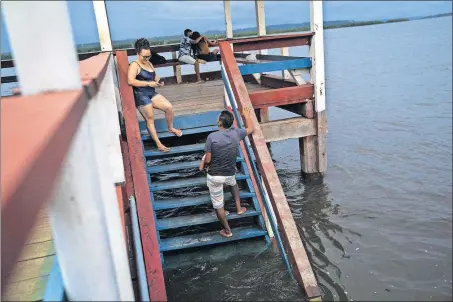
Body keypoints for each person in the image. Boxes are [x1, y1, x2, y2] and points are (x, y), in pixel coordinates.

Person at [199, 107, 255, 238]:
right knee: (233, 184)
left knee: (218, 205)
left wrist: (204, 163)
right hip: (230, 173)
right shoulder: (237, 133)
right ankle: (239, 208)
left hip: (215, 177)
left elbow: (208, 159)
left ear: (220, 123)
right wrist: (246, 116)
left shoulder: (212, 137)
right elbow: (251, 129)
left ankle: (227, 230)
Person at [127, 38, 182, 152]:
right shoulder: (134, 65)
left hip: (151, 92)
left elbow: (155, 76)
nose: (147, 58)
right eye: (144, 56)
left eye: (149, 56)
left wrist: (158, 82)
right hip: (141, 95)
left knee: (169, 107)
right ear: (138, 53)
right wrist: (148, 83)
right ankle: (159, 144)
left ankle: (171, 128)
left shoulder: (149, 63)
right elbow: (130, 81)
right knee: (150, 119)